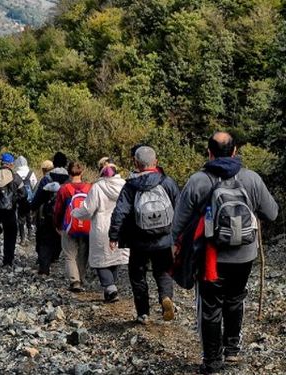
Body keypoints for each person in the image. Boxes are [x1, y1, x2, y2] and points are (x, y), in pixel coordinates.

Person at [171, 132, 278, 374]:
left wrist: (175, 247)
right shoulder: (251, 178)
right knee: (235, 299)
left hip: (210, 257)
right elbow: (272, 213)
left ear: (209, 152)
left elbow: (178, 223)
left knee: (210, 306)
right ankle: (231, 351)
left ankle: (212, 361)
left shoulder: (198, 180)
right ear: (235, 151)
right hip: (244, 254)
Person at [109, 146, 180, 325]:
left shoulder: (131, 185)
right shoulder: (167, 182)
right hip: (164, 238)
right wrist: (180, 235)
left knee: (138, 275)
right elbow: (180, 208)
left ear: (136, 163)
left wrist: (114, 235)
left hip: (138, 240)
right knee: (163, 271)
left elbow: (120, 212)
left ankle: (143, 313)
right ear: (155, 161)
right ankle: (166, 297)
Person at [69, 162, 128, 301]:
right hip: (120, 225)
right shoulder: (124, 185)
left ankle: (110, 287)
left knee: (101, 259)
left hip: (101, 226)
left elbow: (88, 209)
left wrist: (75, 213)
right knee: (115, 257)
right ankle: (111, 287)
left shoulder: (97, 187)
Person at [53, 162, 93, 292]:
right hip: (86, 225)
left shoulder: (64, 189)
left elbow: (58, 209)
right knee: (83, 253)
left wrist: (57, 225)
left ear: (68, 173)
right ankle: (81, 278)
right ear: (82, 173)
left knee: (70, 254)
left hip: (68, 225)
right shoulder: (89, 187)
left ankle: (74, 281)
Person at [0, 153, 26, 266]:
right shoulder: (16, 177)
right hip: (10, 211)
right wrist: (15, 200)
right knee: (10, 233)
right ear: (11, 164)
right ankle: (8, 260)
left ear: (1, 163)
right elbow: (24, 194)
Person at [32, 165, 68, 275]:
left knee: (45, 242)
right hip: (62, 219)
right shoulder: (68, 188)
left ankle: (44, 267)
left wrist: (31, 208)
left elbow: (37, 201)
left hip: (47, 217)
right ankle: (54, 257)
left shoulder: (48, 186)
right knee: (58, 240)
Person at [15, 156, 38, 244]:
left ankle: (22, 238)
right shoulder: (31, 172)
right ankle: (30, 233)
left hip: (20, 199)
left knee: (21, 218)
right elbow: (34, 184)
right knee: (29, 216)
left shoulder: (16, 174)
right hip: (29, 199)